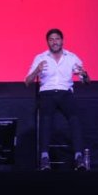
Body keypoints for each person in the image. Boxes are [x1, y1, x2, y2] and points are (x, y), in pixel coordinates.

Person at [25, 28, 89, 171]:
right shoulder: (40, 58)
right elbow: (27, 81)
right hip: (47, 93)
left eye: (57, 39)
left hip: (65, 93)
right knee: (46, 118)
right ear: (47, 42)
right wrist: (37, 70)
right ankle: (44, 158)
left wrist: (84, 74)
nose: (54, 42)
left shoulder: (72, 57)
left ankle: (79, 158)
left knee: (75, 118)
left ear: (62, 41)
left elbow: (85, 81)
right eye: (51, 39)